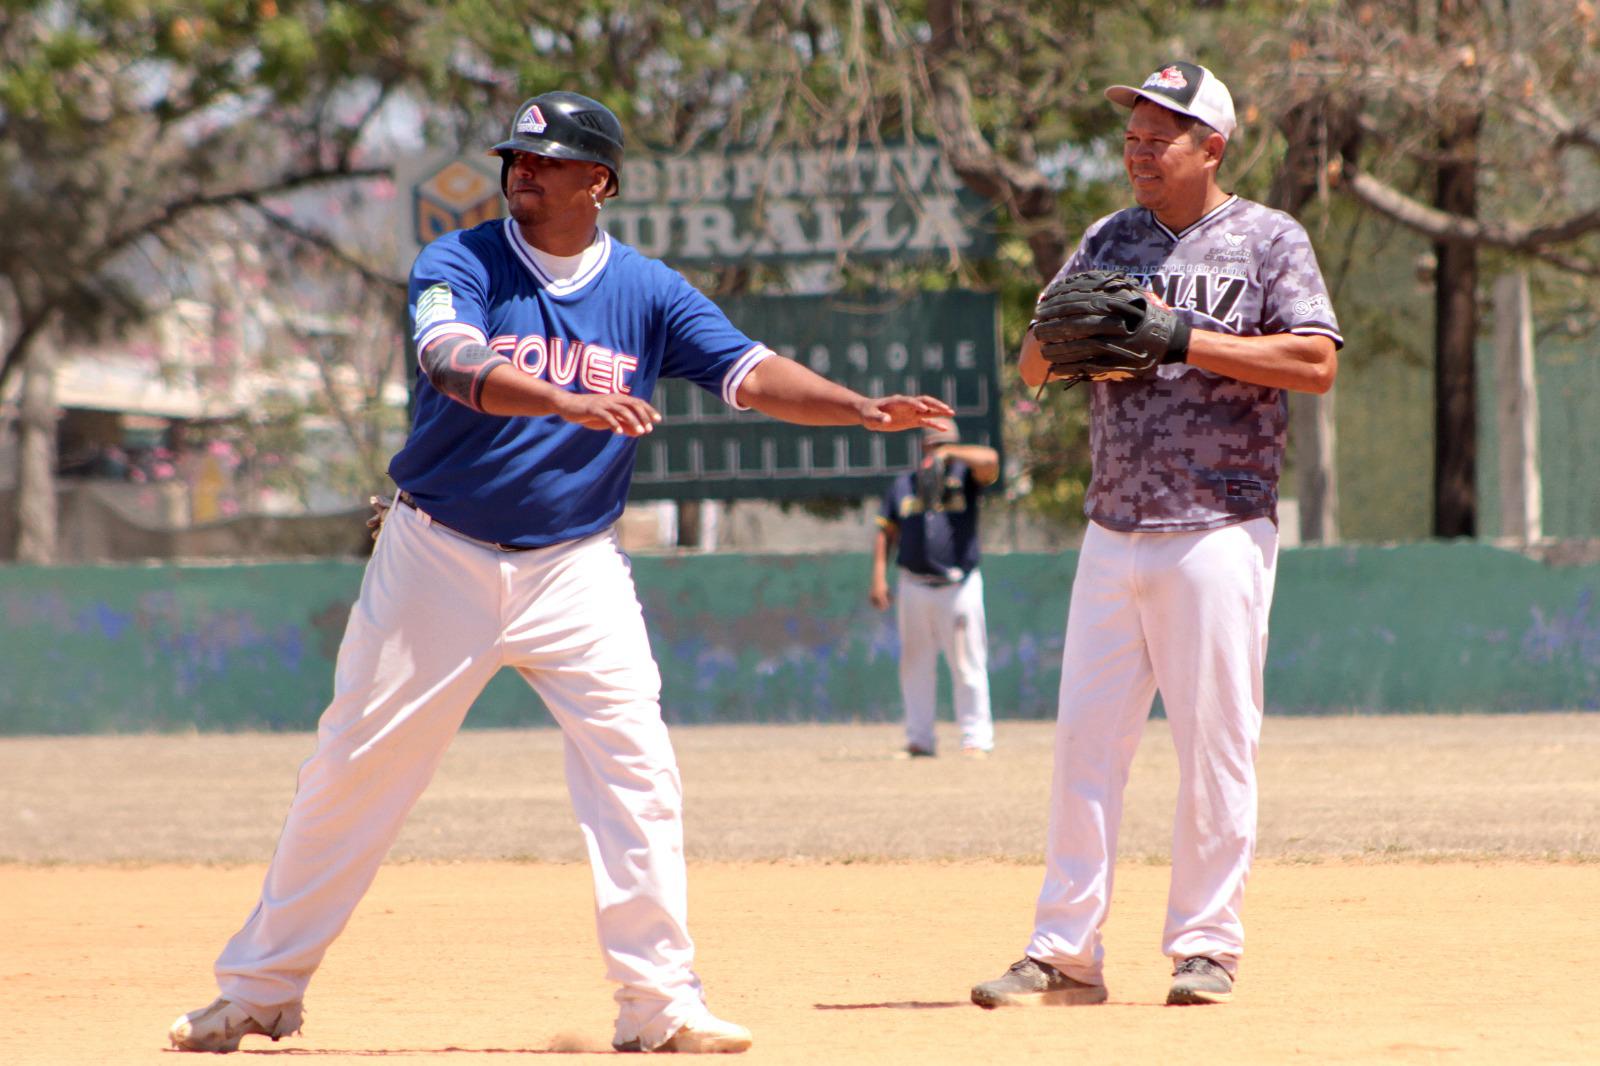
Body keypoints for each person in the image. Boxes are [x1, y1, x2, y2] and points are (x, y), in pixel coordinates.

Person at [168, 90, 952, 1056]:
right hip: (437, 556)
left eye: (546, 159)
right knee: (352, 772)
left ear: (601, 180)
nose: (522, 171)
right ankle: (257, 991)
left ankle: (659, 1006)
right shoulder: (462, 260)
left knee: (638, 772)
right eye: (515, 157)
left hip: (575, 568)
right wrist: (559, 398)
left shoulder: (648, 290)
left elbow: (750, 370)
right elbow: (449, 356)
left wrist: (858, 408)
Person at [970, 62, 1341, 1010]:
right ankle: (1064, 952)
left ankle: (1207, 947)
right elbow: (1032, 366)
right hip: (1113, 525)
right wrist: (1067, 339)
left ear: (1209, 147)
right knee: (1084, 748)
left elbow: (1313, 361)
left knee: (1216, 745)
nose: (1137, 152)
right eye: (1130, 139)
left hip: (1219, 523)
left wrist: (1180, 339)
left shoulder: (1267, 239)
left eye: (1157, 138)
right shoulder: (1107, 239)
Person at [869, 424, 999, 758]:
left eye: (941, 444)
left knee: (968, 664)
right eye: (931, 444)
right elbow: (886, 531)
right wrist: (878, 577)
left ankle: (976, 738)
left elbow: (990, 460)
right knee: (915, 664)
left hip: (960, 584)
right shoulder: (905, 484)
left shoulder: (965, 478)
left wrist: (950, 453)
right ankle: (919, 740)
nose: (935, 450)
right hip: (914, 583)